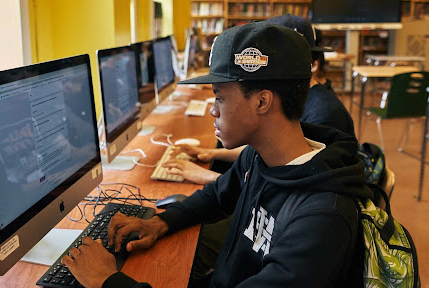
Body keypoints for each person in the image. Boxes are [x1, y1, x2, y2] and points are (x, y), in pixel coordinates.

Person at [62, 21, 370, 288]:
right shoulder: (263, 157)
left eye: (220, 97)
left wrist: (108, 281)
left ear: (262, 102)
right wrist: (159, 223)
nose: (213, 109)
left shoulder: (321, 219)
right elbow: (218, 195)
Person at [164, 15, 355, 185]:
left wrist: (209, 176)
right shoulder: (268, 140)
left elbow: (296, 180)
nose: (272, 73)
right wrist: (212, 153)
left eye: (281, 61)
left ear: (312, 65)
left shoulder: (324, 115)